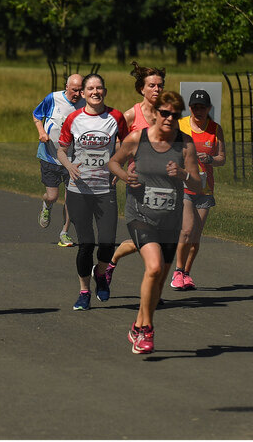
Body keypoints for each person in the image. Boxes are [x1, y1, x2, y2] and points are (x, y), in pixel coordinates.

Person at [108, 91, 202, 354]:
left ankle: (137, 327)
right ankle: (147, 330)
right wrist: (126, 176)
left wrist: (183, 174)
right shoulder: (139, 138)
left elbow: (198, 183)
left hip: (169, 220)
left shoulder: (186, 145)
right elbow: (113, 162)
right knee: (154, 267)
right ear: (157, 113)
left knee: (158, 283)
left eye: (175, 114)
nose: (170, 118)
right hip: (141, 215)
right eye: (165, 113)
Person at [56, 73, 128, 311]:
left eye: (99, 88)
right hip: (79, 190)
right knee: (86, 244)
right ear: (83, 93)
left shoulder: (116, 116)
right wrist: (68, 166)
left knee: (107, 242)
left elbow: (128, 146)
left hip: (105, 190)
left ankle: (101, 274)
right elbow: (61, 150)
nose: (95, 92)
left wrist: (121, 169)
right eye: (90, 89)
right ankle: (84, 292)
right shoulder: (74, 118)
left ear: (104, 92)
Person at [101, 61, 168, 292]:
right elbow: (117, 146)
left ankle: (112, 261)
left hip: (165, 186)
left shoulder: (166, 115)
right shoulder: (130, 115)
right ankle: (152, 290)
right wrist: (120, 172)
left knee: (158, 239)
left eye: (160, 85)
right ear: (142, 88)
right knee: (149, 239)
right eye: (152, 85)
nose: (157, 90)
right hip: (138, 185)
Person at [173, 89, 227, 290]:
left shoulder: (215, 129)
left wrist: (210, 159)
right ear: (190, 108)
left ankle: (186, 273)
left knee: (195, 236)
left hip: (205, 189)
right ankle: (177, 271)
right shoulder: (181, 125)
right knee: (186, 230)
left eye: (202, 107)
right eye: (195, 107)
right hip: (185, 184)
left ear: (209, 108)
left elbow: (222, 158)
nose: (198, 111)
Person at [32, 73, 84, 246]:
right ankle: (47, 205)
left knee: (71, 199)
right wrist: (41, 133)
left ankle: (64, 233)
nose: (77, 94)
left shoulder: (87, 104)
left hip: (73, 160)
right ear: (67, 87)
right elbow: (37, 115)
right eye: (74, 90)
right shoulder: (53, 98)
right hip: (49, 156)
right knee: (53, 196)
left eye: (80, 90)